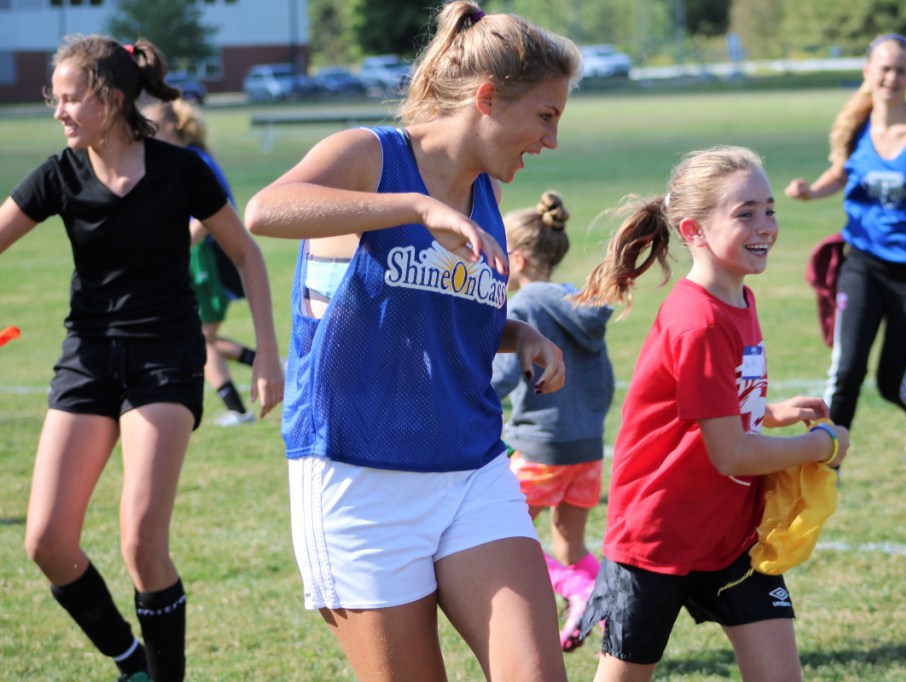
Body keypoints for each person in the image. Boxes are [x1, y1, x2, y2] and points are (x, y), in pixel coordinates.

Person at [243, 3, 580, 680]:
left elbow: (439, 313)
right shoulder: (373, 155)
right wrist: (417, 207)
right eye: (545, 116)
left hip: (470, 470)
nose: (550, 140)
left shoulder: (486, 193)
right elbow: (266, 210)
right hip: (355, 475)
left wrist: (521, 334)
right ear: (486, 98)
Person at [0, 36, 284, 681]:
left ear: (112, 99)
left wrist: (267, 354)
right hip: (88, 359)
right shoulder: (58, 174)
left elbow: (246, 253)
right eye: (57, 100)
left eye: (71, 99)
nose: (59, 112)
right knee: (46, 541)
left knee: (140, 543)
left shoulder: (181, 171)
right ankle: (132, 663)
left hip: (165, 359)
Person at [568, 146, 851, 681]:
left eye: (769, 209)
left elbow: (711, 409)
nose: (765, 225)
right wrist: (823, 446)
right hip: (657, 542)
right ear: (695, 230)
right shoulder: (697, 319)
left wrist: (768, 412)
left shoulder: (738, 298)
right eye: (744, 213)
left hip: (730, 538)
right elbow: (731, 454)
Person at [784, 34, 906, 469]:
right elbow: (840, 174)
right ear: (868, 72)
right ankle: (828, 467)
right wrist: (810, 192)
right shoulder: (858, 127)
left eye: (901, 69)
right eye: (884, 68)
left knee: (891, 383)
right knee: (845, 372)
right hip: (862, 264)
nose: (892, 77)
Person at [491, 191, 614, 653]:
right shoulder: (579, 302)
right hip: (585, 450)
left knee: (502, 538)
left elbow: (502, 377)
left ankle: (580, 593)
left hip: (541, 449)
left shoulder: (524, 306)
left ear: (516, 258)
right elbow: (603, 377)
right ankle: (612, 609)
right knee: (571, 548)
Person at [143, 98, 260, 427]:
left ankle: (238, 409)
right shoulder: (184, 158)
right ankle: (256, 368)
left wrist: (170, 253)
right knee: (197, 335)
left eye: (150, 127)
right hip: (201, 254)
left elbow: (207, 220)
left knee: (200, 338)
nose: (145, 135)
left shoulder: (194, 160)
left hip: (209, 255)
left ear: (169, 126)